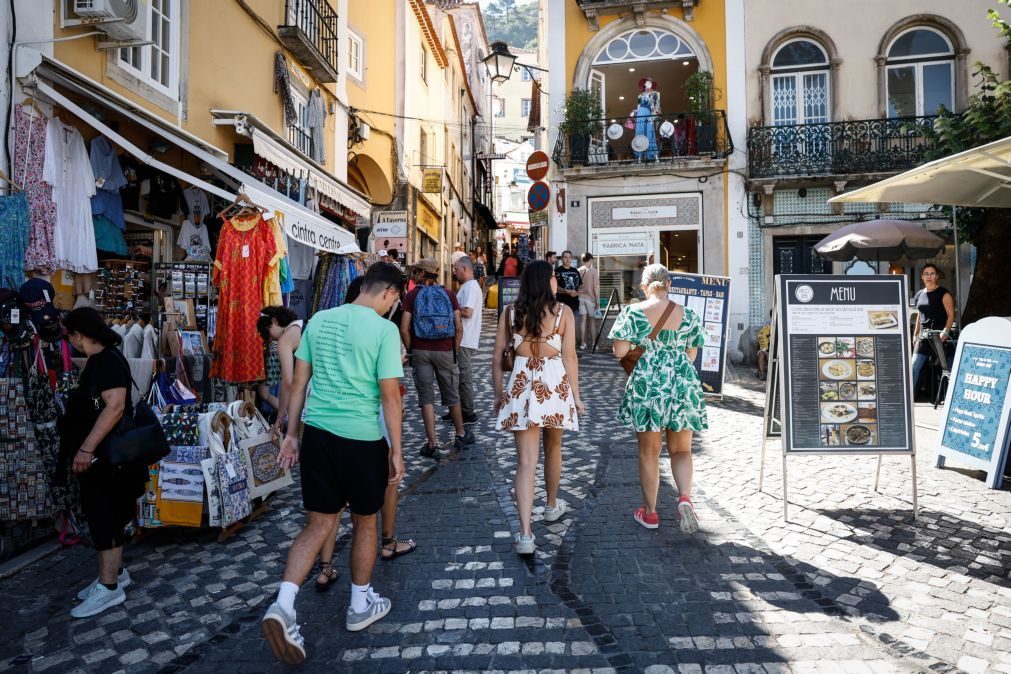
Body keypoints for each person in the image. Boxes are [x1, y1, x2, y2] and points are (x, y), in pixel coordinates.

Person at [261, 263, 406, 664]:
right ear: (390, 294)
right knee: (364, 520)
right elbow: (390, 397)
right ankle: (360, 603)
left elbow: (298, 383)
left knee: (318, 524)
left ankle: (284, 604)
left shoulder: (319, 320)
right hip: (361, 439)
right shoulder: (384, 330)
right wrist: (397, 449)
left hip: (318, 437)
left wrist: (291, 435)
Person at [61, 308, 149, 618]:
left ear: (79, 335)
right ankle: (114, 574)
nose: (68, 341)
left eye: (69, 335)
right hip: (105, 458)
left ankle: (109, 587)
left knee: (106, 517)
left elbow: (114, 407)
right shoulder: (103, 359)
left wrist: (85, 449)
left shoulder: (107, 361)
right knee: (104, 516)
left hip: (106, 459)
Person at [492, 260, 584, 556]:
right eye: (554, 277)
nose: (557, 281)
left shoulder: (509, 314)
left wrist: (497, 395)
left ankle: (525, 534)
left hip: (521, 386)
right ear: (546, 282)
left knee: (525, 463)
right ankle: (552, 505)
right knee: (554, 448)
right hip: (554, 386)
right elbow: (570, 357)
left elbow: (496, 359)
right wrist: (577, 396)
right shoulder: (563, 313)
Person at [609, 264, 707, 534]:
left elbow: (620, 351)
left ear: (644, 287)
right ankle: (684, 497)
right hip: (681, 383)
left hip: (647, 384)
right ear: (669, 285)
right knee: (682, 450)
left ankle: (650, 513)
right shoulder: (688, 314)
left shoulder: (632, 312)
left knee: (649, 452)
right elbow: (692, 355)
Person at [400, 258, 476, 457]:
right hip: (445, 350)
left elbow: (404, 328)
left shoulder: (412, 295)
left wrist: (412, 350)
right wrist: (454, 350)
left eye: (416, 271)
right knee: (452, 394)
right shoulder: (449, 294)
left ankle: (432, 444)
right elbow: (458, 327)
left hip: (420, 351)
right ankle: (460, 434)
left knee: (426, 397)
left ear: (421, 274)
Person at [446, 256, 482, 425]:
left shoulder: (471, 287)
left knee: (464, 377)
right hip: (461, 338)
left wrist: (450, 310)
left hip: (465, 339)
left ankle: (468, 413)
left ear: (465, 269)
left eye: (456, 269)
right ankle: (457, 410)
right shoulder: (466, 287)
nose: (454, 272)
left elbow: (467, 312)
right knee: (457, 376)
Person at [256, 306, 303, 433]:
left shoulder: (285, 339)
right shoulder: (301, 325)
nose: (269, 339)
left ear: (275, 321)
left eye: (267, 331)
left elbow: (287, 382)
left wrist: (280, 418)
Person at [911, 263, 955, 390]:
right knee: (914, 366)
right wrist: (915, 334)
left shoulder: (944, 293)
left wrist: (945, 332)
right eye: (926, 274)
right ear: (922, 277)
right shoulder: (919, 294)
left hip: (940, 335)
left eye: (932, 274)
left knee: (946, 369)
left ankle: (947, 397)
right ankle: (909, 398)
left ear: (936, 276)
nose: (929, 276)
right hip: (923, 336)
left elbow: (951, 315)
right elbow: (920, 315)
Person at [576, 253, 600, 350]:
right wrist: (597, 301)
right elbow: (596, 287)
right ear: (590, 260)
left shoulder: (578, 270)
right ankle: (594, 344)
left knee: (583, 321)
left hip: (580, 298)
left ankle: (583, 344)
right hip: (590, 299)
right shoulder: (593, 271)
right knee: (592, 322)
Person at [554, 250, 582, 320]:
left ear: (571, 258)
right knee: (561, 326)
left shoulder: (575, 271)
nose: (567, 259)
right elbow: (554, 286)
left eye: (569, 257)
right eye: (565, 257)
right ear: (562, 258)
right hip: (561, 304)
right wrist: (566, 291)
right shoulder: (557, 271)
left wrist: (577, 292)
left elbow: (580, 285)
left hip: (575, 304)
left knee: (574, 326)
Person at [756, 312, 771, 380]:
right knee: (761, 354)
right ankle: (762, 373)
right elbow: (762, 337)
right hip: (766, 347)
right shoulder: (767, 324)